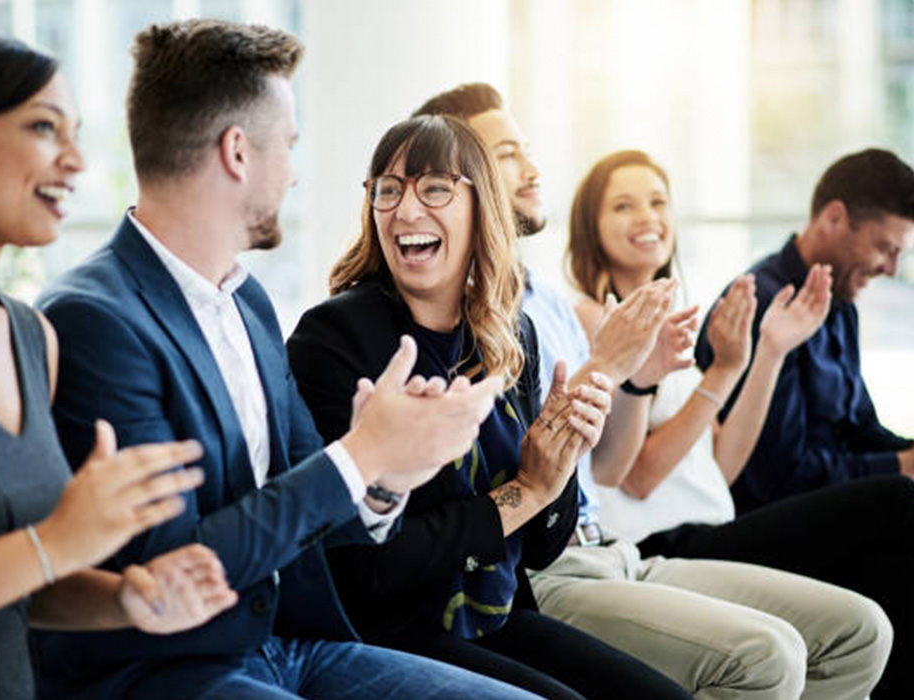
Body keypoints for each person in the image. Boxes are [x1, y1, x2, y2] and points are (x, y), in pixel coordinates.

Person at [35, 19, 547, 700]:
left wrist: (392, 475)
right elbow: (179, 567)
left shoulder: (247, 302)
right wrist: (363, 455)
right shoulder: (95, 320)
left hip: (296, 642)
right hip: (172, 669)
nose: (296, 172)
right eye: (290, 146)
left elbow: (318, 497)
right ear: (238, 153)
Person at [415, 86, 893, 700]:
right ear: (460, 180)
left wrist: (654, 374)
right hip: (553, 567)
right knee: (770, 653)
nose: (533, 169)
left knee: (862, 630)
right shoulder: (470, 310)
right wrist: (616, 367)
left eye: (526, 150)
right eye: (508, 154)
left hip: (617, 549)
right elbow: (570, 473)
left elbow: (607, 468)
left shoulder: (551, 302)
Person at [287, 112, 699, 700]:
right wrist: (524, 492)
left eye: (433, 188)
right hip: (390, 629)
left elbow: (539, 546)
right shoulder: (333, 340)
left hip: (496, 617)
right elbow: (366, 570)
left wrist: (557, 467)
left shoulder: (510, 333)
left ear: (482, 208)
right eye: (387, 190)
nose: (404, 211)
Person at [0, 34, 239, 700]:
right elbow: (41, 552)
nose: (76, 162)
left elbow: (18, 590)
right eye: (42, 127)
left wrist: (126, 600)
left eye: (77, 135)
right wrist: (59, 542)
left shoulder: (35, 339)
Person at [566, 149, 914, 699]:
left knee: (868, 606)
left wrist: (762, 354)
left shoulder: (671, 322)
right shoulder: (589, 320)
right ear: (591, 226)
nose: (647, 217)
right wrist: (713, 374)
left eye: (658, 201)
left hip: (713, 521)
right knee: (898, 504)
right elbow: (637, 476)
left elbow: (721, 467)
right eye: (623, 205)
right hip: (659, 545)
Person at [695, 148, 914, 513]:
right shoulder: (760, 305)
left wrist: (907, 456)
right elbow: (780, 476)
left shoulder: (841, 301)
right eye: (883, 248)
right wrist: (900, 467)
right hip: (770, 518)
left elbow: (860, 429)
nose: (891, 269)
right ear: (834, 217)